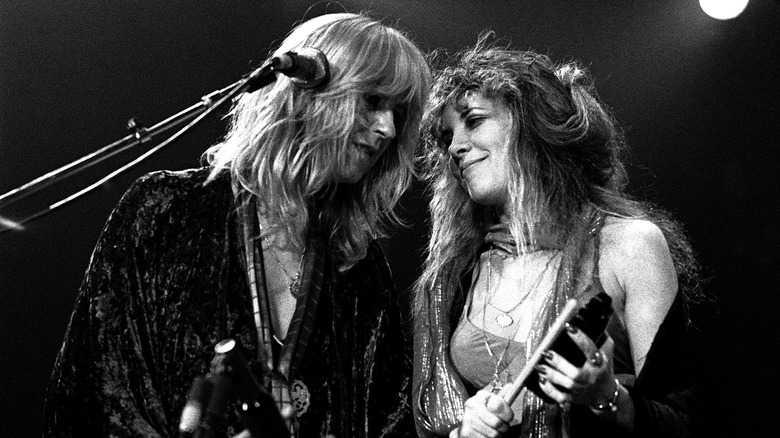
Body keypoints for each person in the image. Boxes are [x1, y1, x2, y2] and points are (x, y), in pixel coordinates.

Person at [43, 12, 430, 438]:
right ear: (308, 91)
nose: (389, 128)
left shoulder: (360, 263)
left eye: (399, 112)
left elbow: (390, 421)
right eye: (373, 100)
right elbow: (92, 396)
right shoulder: (165, 212)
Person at [412, 37, 703, 438]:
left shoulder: (629, 245)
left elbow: (682, 422)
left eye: (474, 121)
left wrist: (606, 396)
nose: (457, 147)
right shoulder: (457, 270)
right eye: (447, 138)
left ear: (533, 127)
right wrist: (464, 428)